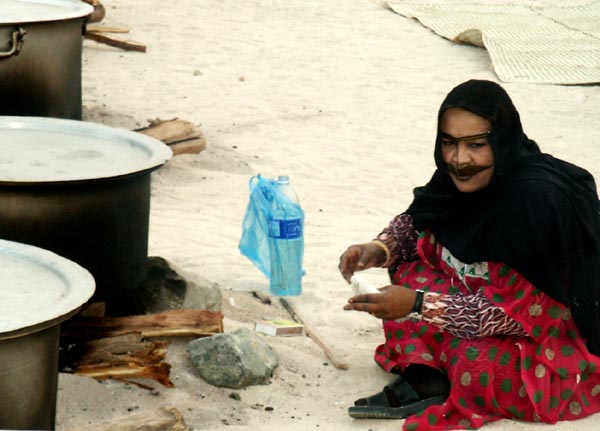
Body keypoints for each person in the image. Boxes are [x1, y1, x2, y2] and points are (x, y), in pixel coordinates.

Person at [339, 79, 600, 430]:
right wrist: (380, 248)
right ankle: (428, 375)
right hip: (476, 300)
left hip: (542, 332)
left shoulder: (537, 203)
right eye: (449, 144)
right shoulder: (460, 178)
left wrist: (417, 306)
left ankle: (434, 374)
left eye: (477, 144)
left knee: (476, 363)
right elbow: (419, 222)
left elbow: (516, 316)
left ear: (503, 141)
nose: (460, 160)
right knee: (409, 268)